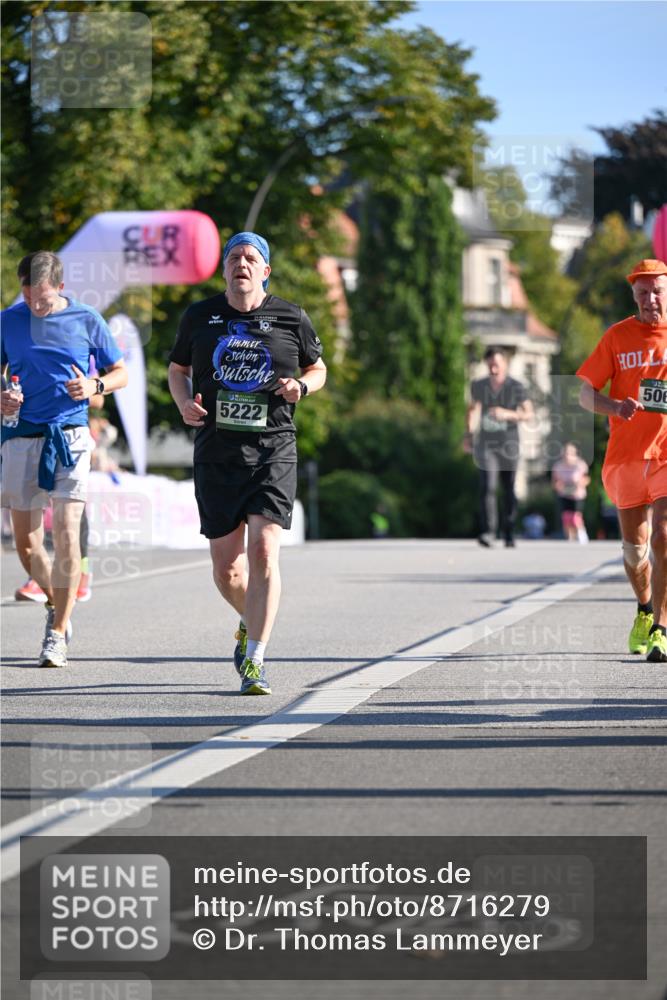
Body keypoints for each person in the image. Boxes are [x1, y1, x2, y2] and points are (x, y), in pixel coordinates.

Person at [168, 231, 326, 695]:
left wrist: (303, 387)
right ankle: (249, 618)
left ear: (265, 271)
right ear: (224, 269)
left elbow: (318, 367)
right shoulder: (199, 317)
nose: (242, 263)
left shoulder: (290, 316)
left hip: (273, 449)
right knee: (228, 570)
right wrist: (182, 405)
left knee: (263, 552)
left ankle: (255, 658)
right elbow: (178, 370)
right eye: (234, 256)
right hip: (217, 454)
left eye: (250, 258)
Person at [1, 251, 128, 667]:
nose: (35, 305)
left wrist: (95, 385)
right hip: (20, 434)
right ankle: (59, 605)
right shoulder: (8, 321)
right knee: (27, 543)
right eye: (28, 295)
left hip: (70, 435)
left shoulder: (87, 319)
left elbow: (119, 373)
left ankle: (57, 633)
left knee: (68, 534)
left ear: (60, 288)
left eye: (43, 297)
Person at [577, 258, 667, 661]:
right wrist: (614, 406)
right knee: (635, 552)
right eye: (643, 293)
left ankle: (662, 629)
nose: (651, 299)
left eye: (658, 291)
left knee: (664, 536)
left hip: (665, 453)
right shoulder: (617, 336)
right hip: (627, 457)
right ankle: (645, 610)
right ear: (634, 296)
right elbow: (584, 392)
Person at [464, 347, 533, 547]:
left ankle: (509, 530)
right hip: (486, 444)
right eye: (490, 364)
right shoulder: (478, 385)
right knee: (487, 487)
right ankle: (488, 532)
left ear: (505, 364)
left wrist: (508, 414)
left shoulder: (516, 386)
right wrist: (468, 434)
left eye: (497, 364)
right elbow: (472, 410)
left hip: (509, 444)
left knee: (509, 488)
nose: (494, 368)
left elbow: (529, 414)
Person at [551, 442, 590, 542]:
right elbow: (555, 481)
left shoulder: (580, 465)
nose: (567, 456)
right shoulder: (558, 466)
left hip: (577, 494)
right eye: (565, 453)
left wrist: (579, 484)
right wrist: (558, 485)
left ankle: (581, 532)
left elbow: (586, 479)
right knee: (566, 517)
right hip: (564, 493)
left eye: (570, 453)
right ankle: (570, 536)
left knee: (575, 516)